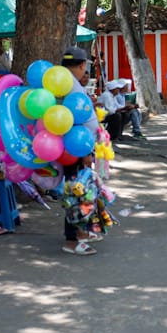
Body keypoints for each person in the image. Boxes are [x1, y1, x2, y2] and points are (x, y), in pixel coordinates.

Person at [60, 47, 103, 255]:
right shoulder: (69, 85)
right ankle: (72, 240)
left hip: (77, 146)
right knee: (76, 193)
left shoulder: (66, 82)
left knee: (80, 191)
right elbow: (74, 121)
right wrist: (85, 152)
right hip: (75, 147)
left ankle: (81, 233)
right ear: (82, 65)